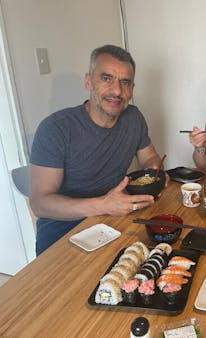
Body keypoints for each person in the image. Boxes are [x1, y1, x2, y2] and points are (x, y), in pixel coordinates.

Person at [30, 45, 164, 256]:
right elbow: (40, 203)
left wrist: (153, 171)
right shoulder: (55, 128)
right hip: (62, 236)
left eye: (125, 82)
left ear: (132, 89)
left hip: (114, 223)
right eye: (106, 78)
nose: (117, 91)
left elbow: (150, 158)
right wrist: (103, 205)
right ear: (88, 81)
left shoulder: (134, 118)